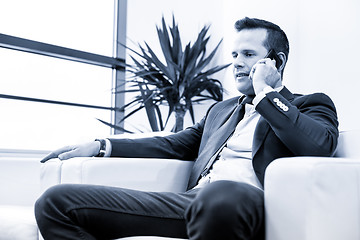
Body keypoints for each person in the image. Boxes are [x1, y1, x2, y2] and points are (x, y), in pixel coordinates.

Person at [35, 17, 339, 240]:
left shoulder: (310, 104)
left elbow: (319, 145)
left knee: (221, 195)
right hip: (192, 202)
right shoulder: (221, 110)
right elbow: (171, 144)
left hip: (247, 205)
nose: (236, 63)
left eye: (248, 55)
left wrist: (265, 94)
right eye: (234, 55)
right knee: (56, 202)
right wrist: (102, 145)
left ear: (277, 61)